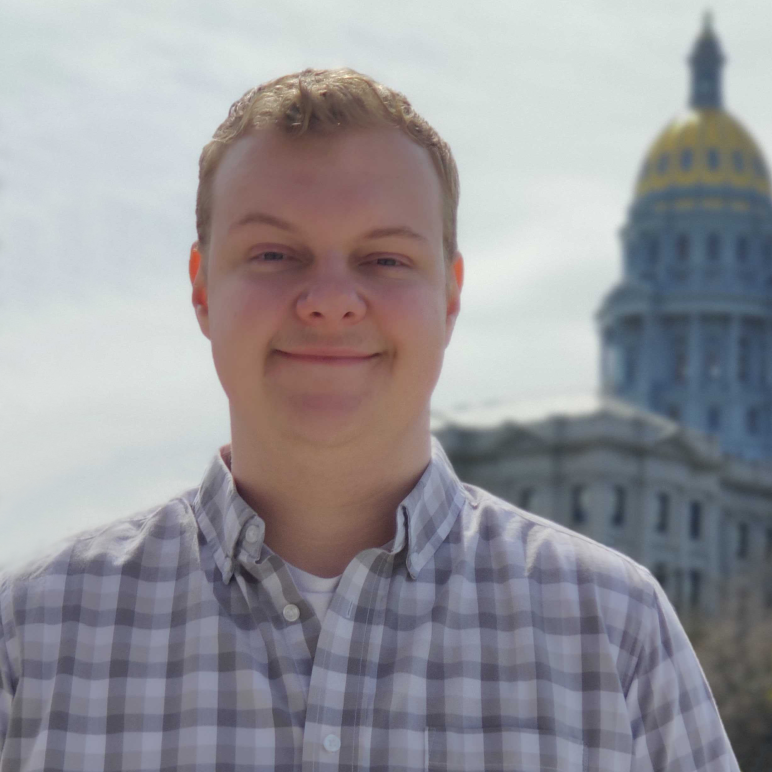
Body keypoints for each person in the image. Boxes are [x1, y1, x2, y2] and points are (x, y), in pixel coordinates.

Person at [0, 69, 738, 771]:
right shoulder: (35, 633)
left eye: (383, 259)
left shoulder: (616, 628)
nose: (329, 299)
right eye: (273, 253)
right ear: (201, 289)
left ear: (450, 296)